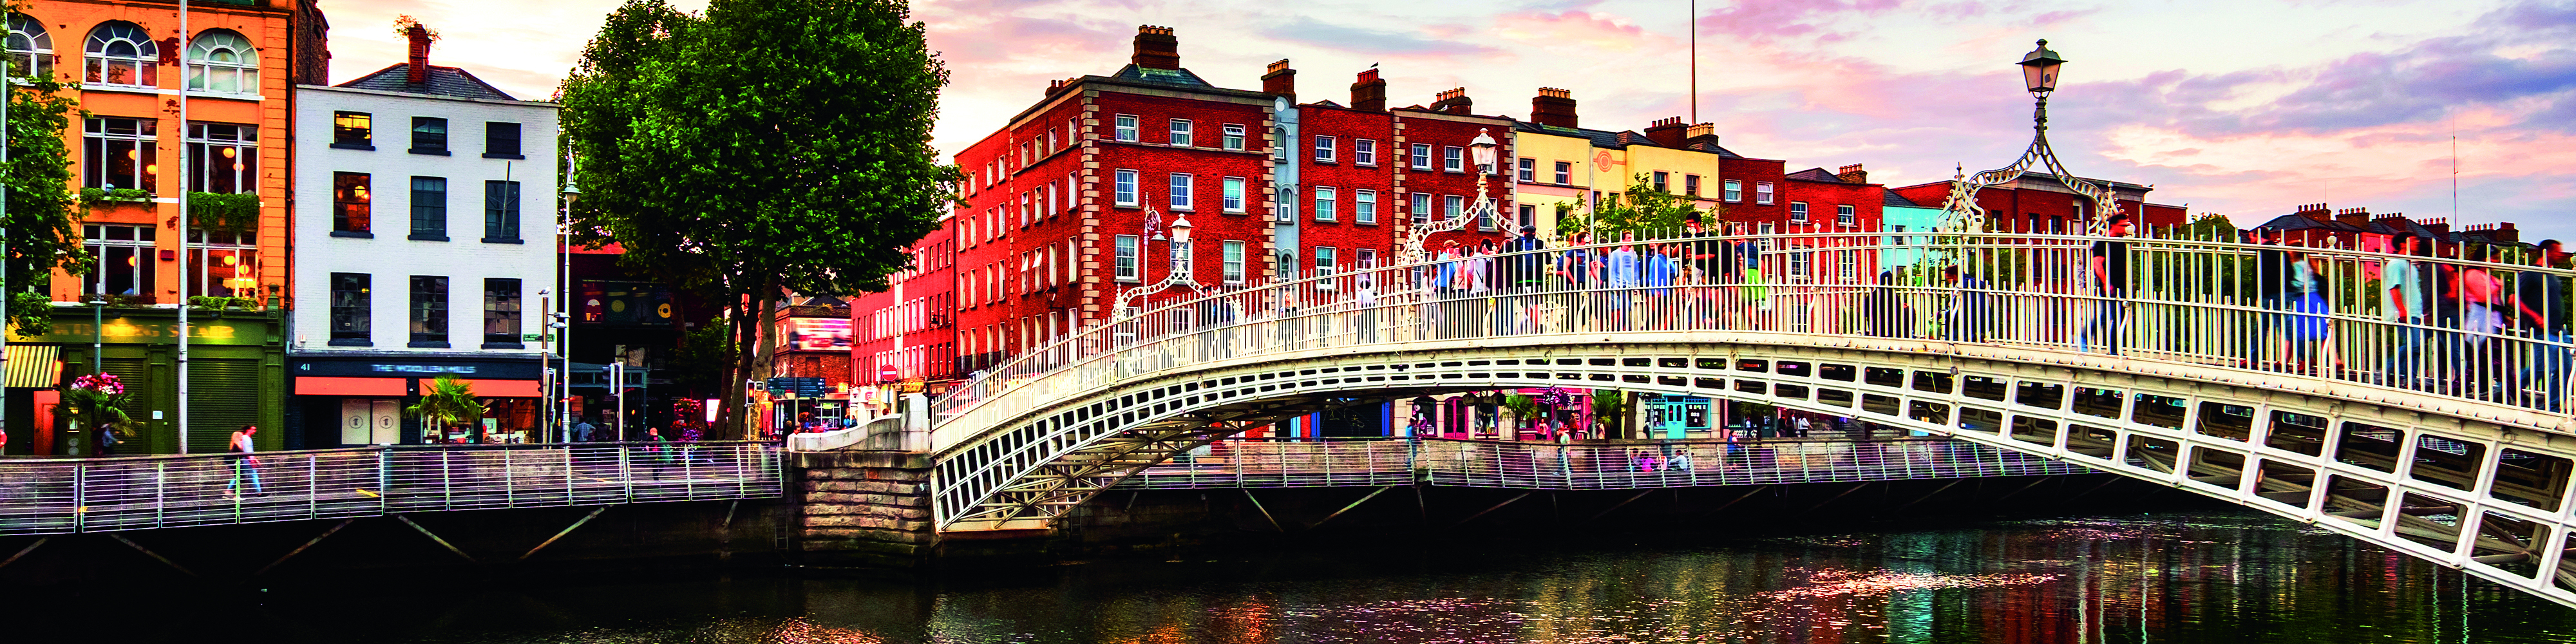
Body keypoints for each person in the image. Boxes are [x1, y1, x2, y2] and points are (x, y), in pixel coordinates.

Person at [2080, 214, 2134, 355]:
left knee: (2117, 317)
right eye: (2124, 225)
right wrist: (2106, 283)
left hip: (2122, 285)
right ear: (2114, 226)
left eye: (2128, 225)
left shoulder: (2123, 242)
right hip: (2110, 286)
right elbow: (2097, 264)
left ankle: (2112, 348)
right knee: (2111, 317)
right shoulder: (2104, 242)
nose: (2126, 228)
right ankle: (2108, 347)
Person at [227, 424, 265, 497]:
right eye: (253, 429)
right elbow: (247, 451)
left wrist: (255, 460)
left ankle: (228, 491)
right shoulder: (246, 438)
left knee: (239, 476)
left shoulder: (246, 438)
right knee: (252, 475)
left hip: (245, 460)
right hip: (246, 461)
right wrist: (252, 460)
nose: (255, 431)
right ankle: (259, 492)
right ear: (248, 430)